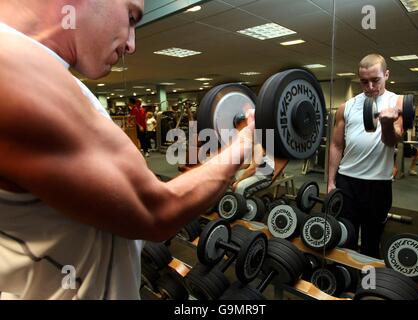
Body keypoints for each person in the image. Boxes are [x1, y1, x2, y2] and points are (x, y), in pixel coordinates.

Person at [0, 0, 255, 299]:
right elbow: (158, 211)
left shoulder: (36, 69)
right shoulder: (16, 71)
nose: (132, 44)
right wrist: (242, 145)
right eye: (131, 16)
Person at [328, 54, 404, 259]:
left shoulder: (396, 102)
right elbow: (336, 145)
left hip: (378, 184)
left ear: (386, 75)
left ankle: (367, 288)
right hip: (348, 182)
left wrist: (387, 123)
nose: (369, 86)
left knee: (372, 240)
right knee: (345, 237)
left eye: (375, 80)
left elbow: (392, 141)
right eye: (363, 81)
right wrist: (330, 181)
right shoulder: (347, 106)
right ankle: (345, 283)